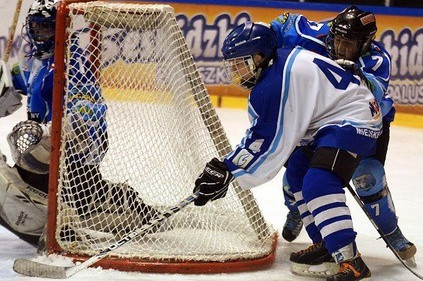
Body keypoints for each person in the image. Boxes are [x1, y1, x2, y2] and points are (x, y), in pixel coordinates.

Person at [193, 21, 382, 281]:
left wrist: (228, 169)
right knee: (296, 174)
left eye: (240, 62)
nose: (235, 70)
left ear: (259, 57)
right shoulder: (273, 67)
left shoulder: (274, 81)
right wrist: (229, 168)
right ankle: (326, 245)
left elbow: (269, 140)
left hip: (355, 117)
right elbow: (266, 136)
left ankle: (350, 259)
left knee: (319, 181)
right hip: (331, 119)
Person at [269, 7, 417, 275]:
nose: (338, 47)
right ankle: (301, 215)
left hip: (367, 123)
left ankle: (392, 233)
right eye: (337, 40)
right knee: (296, 176)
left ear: (365, 44)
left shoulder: (378, 59)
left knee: (369, 178)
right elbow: (283, 25)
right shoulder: (319, 35)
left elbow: (375, 90)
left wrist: (358, 75)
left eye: (347, 45)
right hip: (318, 121)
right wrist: (265, 39)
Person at [0, 0, 158, 248]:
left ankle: (68, 218)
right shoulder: (38, 58)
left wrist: (50, 134)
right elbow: (26, 88)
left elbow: (90, 116)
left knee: (14, 186)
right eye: (36, 27)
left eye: (48, 28)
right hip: (44, 157)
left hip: (67, 162)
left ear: (62, 27)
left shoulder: (71, 63)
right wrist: (7, 80)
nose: (41, 34)